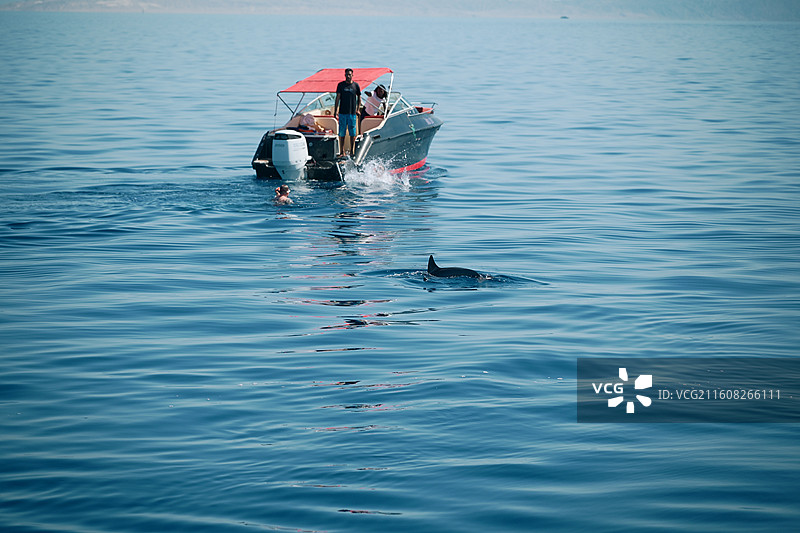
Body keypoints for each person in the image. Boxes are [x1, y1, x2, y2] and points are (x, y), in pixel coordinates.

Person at [333, 68, 361, 157]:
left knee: (352, 133)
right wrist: (335, 111)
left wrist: (358, 109)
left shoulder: (356, 85)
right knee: (342, 133)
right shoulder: (341, 85)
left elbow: (359, 97)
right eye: (346, 74)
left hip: (352, 113)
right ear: (344, 75)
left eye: (349, 74)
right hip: (342, 113)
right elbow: (337, 98)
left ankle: (352, 151)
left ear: (352, 75)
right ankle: (342, 151)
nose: (348, 76)